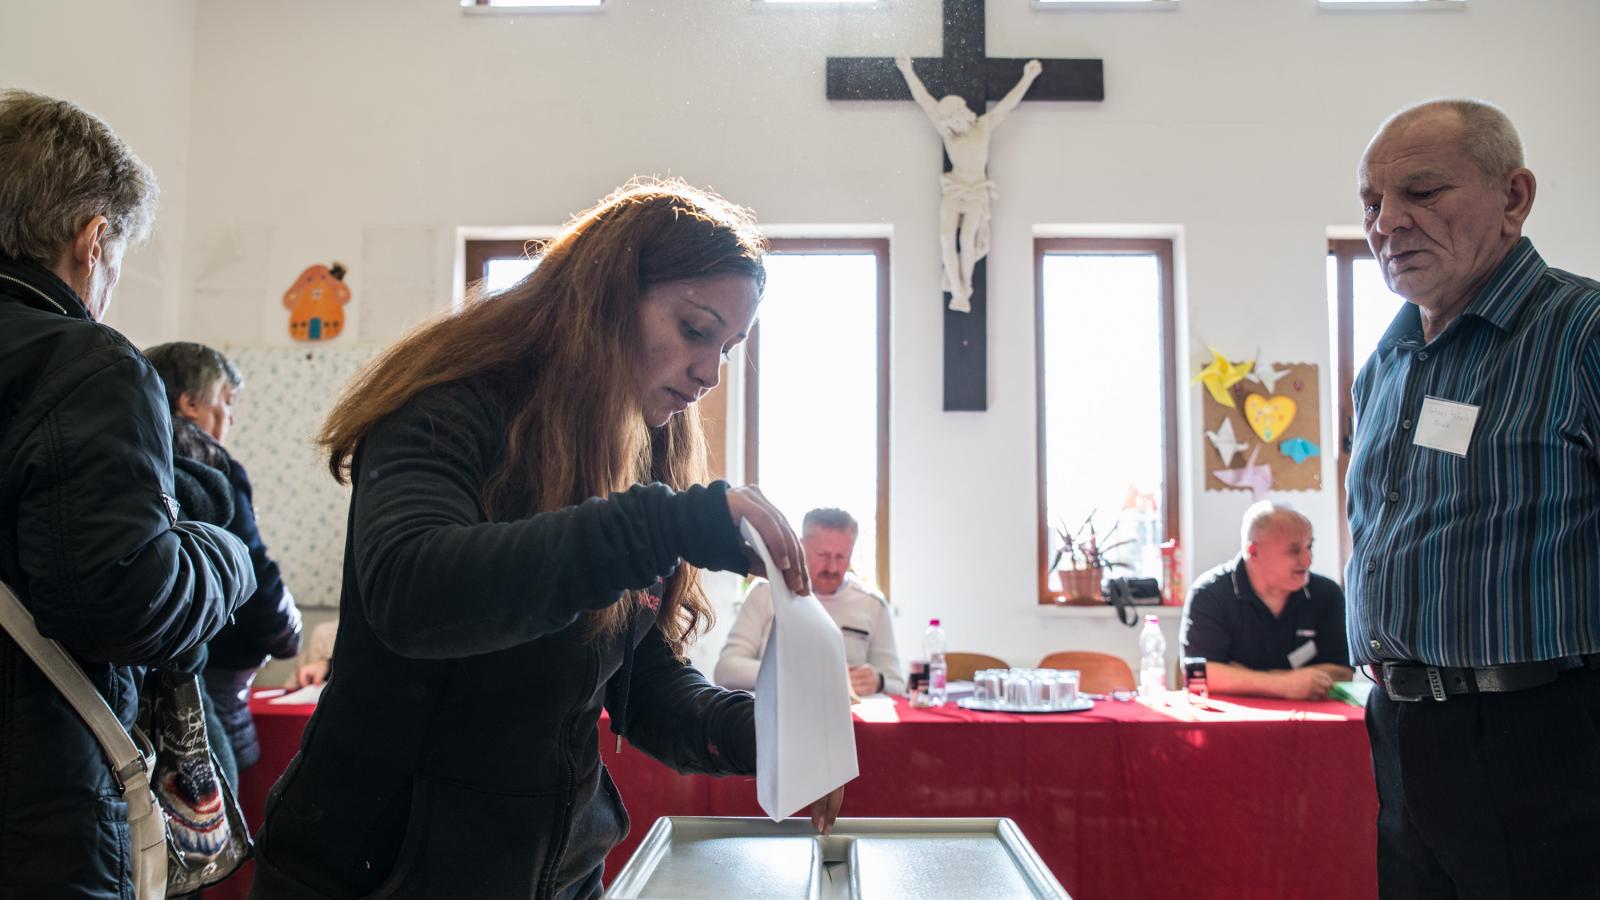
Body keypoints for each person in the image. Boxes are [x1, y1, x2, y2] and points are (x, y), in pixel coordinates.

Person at [250, 179, 843, 900]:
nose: (708, 373)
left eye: (728, 346)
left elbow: (638, 680)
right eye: (695, 330)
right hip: (376, 875)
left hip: (553, 878)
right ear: (607, 296)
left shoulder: (633, 444)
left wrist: (765, 735)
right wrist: (665, 522)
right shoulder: (448, 405)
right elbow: (412, 591)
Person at [0, 90, 254, 896]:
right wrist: (227, 554)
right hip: (35, 809)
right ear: (92, 238)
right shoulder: (86, 364)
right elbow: (124, 605)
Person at [1347, 98, 1600, 897]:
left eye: (1421, 192)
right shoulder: (1385, 366)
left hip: (1546, 735)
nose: (1388, 222)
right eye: (1372, 202)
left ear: (1514, 197)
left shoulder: (1583, 333)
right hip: (1404, 729)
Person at [146, 341, 304, 777]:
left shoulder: (138, 455)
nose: (230, 417)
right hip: (207, 681)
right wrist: (287, 631)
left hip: (158, 664)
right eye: (226, 401)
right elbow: (251, 567)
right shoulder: (210, 466)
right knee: (218, 790)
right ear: (191, 403)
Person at [895, 55, 1041, 313]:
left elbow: (1007, 105)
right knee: (946, 238)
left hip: (975, 193)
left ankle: (964, 286)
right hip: (954, 189)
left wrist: (1027, 77)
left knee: (968, 240)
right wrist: (907, 69)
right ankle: (959, 292)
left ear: (961, 114)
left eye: (952, 120)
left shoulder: (983, 127)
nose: (950, 125)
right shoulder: (949, 136)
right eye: (947, 123)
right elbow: (924, 100)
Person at [715, 507, 904, 696]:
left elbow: (897, 684)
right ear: (801, 546)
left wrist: (878, 681)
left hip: (849, 722)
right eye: (822, 555)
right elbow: (726, 671)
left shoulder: (873, 604)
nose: (832, 567)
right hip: (777, 718)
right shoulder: (765, 592)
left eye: (841, 557)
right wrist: (800, 675)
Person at [1179, 502, 1351, 700]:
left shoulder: (1327, 593)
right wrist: (1285, 684)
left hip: (1313, 721)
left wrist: (1242, 676)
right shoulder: (1209, 593)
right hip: (1232, 722)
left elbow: (1342, 671)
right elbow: (1199, 674)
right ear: (1253, 552)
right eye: (1294, 550)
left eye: (1309, 546)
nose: (1307, 559)